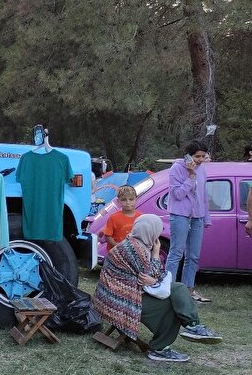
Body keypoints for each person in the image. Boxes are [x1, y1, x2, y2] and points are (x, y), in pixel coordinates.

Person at [92, 214, 222, 363]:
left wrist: (154, 278)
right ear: (151, 231)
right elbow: (155, 274)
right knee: (171, 304)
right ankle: (163, 346)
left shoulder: (133, 243)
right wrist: (155, 255)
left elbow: (155, 276)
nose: (158, 235)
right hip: (119, 303)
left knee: (178, 289)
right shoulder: (135, 249)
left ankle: (193, 326)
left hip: (118, 296)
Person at [164, 140, 211, 303]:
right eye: (197, 156)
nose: (199, 159)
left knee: (194, 256)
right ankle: (168, 289)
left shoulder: (202, 170)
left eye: (202, 156)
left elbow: (204, 195)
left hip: (197, 216)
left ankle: (188, 289)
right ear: (188, 156)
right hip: (180, 215)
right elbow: (177, 194)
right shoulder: (177, 168)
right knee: (176, 252)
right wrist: (190, 175)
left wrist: (206, 217)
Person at [99, 185, 141, 249]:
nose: (128, 202)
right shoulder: (113, 218)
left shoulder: (141, 217)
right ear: (118, 201)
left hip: (134, 252)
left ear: (136, 199)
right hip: (116, 253)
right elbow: (108, 236)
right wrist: (119, 247)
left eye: (131, 199)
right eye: (124, 200)